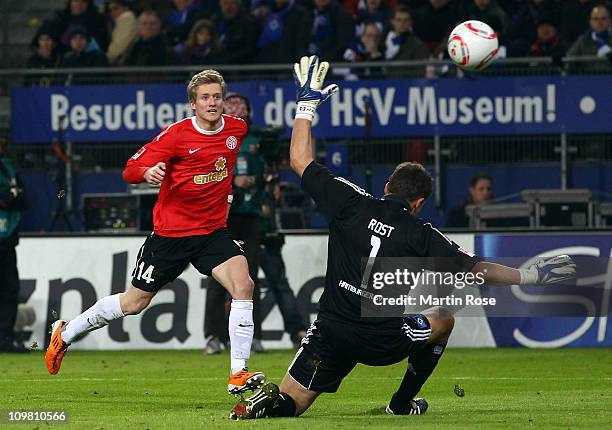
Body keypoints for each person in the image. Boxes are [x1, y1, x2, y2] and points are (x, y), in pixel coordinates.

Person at [229, 55, 576, 419]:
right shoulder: (420, 232)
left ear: (386, 187)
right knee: (443, 320)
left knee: (290, 405)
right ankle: (401, 401)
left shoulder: (350, 202)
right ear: (419, 202)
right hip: (383, 339)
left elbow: (300, 160)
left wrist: (306, 106)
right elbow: (476, 269)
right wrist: (530, 275)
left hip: (332, 331)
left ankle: (265, 407)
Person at [45, 69, 265, 396]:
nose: (212, 103)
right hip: (170, 236)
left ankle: (238, 373)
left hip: (211, 233)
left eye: (217, 96)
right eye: (205, 97)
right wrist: (148, 171)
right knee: (134, 303)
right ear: (193, 103)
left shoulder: (237, 129)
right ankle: (66, 333)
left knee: (243, 285)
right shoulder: (176, 135)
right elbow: (129, 170)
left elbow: (226, 165)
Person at [205, 94, 266, 354]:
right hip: (223, 218)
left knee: (249, 277)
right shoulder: (215, 142)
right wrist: (233, 185)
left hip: (248, 216)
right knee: (218, 277)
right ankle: (213, 336)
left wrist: (262, 196)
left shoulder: (254, 143)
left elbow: (264, 176)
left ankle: (251, 335)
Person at [259, 175, 308, 348]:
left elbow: (275, 204)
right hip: (246, 234)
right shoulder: (244, 168)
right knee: (240, 289)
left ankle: (296, 331)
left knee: (281, 286)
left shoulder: (266, 172)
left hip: (269, 238)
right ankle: (231, 336)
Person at [0, 142, 28, 353]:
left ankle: (5, 338)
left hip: (7, 239)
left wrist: (12, 197)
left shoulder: (8, 169)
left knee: (10, 290)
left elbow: (23, 199)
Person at [567, 2, 612, 72]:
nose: (600, 22)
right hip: (589, 80)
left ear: (610, 21)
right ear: (590, 22)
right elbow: (569, 59)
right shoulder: (583, 41)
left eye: (603, 19)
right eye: (595, 19)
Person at [105, 0, 138, 65]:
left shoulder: (127, 17)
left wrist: (106, 59)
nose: (112, 13)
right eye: (110, 10)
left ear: (126, 8)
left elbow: (118, 47)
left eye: (115, 8)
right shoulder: (119, 21)